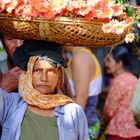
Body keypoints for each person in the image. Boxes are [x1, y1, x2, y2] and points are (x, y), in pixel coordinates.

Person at [0, 40, 89, 140]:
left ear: (59, 76)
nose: (44, 78)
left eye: (50, 71)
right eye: (37, 70)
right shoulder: (10, 104)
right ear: (28, 74)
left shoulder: (74, 113)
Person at [101, 46, 140, 140]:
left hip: (117, 133)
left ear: (119, 63)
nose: (105, 64)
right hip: (136, 132)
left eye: (109, 61)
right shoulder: (134, 79)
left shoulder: (118, 81)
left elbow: (109, 111)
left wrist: (101, 128)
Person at [65, 46, 103, 140]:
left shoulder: (81, 57)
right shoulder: (83, 55)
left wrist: (70, 132)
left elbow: (81, 97)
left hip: (82, 129)